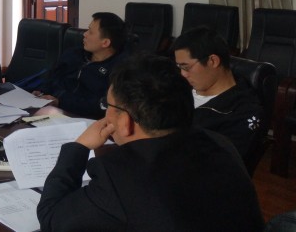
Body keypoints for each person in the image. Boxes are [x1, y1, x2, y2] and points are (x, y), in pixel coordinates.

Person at [37, 54, 264, 231]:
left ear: (125, 121)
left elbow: (52, 218)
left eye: (109, 106)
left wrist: (78, 148)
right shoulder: (220, 142)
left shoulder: (118, 176)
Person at [172, 26, 264, 161]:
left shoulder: (242, 112)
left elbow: (221, 164)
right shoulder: (179, 88)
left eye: (186, 67)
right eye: (179, 67)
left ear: (213, 61)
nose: (183, 74)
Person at [33, 12, 127, 118]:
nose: (84, 34)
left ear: (105, 43)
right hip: (52, 110)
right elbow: (53, 77)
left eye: (90, 32)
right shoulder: (74, 54)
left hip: (83, 119)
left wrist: (60, 102)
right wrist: (42, 91)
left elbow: (101, 106)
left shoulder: (120, 70)